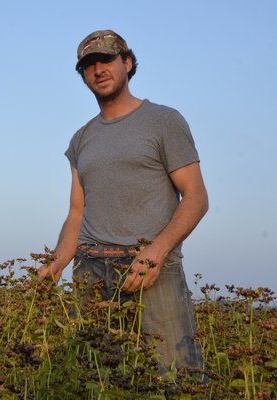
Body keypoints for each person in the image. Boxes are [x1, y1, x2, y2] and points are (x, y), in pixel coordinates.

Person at [38, 29, 209, 370]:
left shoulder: (163, 120)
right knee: (93, 376)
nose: (98, 69)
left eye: (107, 59)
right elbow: (77, 212)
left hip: (149, 269)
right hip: (90, 270)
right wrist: (56, 262)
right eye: (89, 64)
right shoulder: (81, 138)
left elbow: (196, 198)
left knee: (175, 376)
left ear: (128, 63)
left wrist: (155, 254)